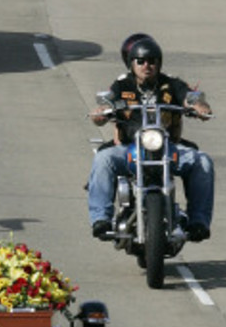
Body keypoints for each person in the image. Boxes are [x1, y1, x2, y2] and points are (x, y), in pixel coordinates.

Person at [88, 36, 214, 242]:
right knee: (103, 159)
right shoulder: (122, 85)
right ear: (132, 64)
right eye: (141, 61)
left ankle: (198, 222)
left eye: (152, 61)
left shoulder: (171, 84)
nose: (147, 65)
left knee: (203, 161)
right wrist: (101, 111)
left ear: (159, 63)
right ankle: (100, 219)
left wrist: (199, 106)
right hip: (130, 147)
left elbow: (190, 97)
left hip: (167, 147)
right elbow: (106, 103)